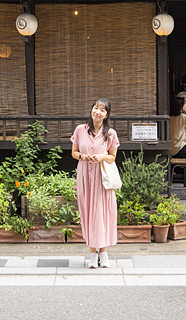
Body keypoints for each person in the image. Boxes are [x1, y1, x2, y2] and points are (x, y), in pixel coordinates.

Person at [70, 98, 119, 269]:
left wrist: (102, 157)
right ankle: (92, 252)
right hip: (84, 176)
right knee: (88, 211)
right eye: (95, 108)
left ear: (106, 115)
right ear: (91, 110)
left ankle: (103, 252)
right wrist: (83, 156)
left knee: (102, 212)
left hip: (102, 177)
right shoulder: (80, 130)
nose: (97, 112)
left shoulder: (110, 133)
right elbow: (74, 153)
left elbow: (113, 157)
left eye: (102, 110)